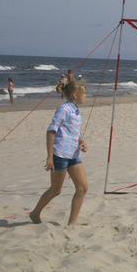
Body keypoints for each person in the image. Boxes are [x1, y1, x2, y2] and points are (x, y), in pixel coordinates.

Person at [29, 81, 89, 225]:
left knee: (82, 188)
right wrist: (50, 157)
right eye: (84, 93)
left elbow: (73, 131)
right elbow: (51, 131)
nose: (86, 96)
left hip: (74, 155)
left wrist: (81, 141)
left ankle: (72, 223)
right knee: (56, 190)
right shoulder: (64, 109)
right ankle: (35, 213)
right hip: (60, 155)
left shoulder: (76, 110)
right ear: (75, 95)